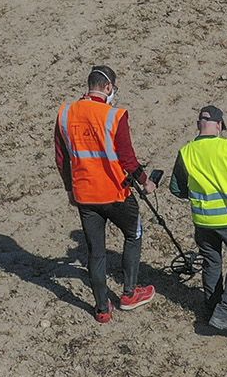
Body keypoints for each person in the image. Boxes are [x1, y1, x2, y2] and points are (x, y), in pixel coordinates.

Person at [53, 66, 156, 323]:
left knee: (95, 252)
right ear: (108, 88)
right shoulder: (115, 116)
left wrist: (69, 188)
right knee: (133, 233)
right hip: (115, 193)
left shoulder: (65, 114)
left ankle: (101, 309)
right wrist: (146, 182)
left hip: (85, 195)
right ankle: (130, 293)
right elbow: (128, 158)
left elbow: (61, 157)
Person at [167, 105, 227, 335]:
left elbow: (175, 189)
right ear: (219, 126)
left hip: (202, 222)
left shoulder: (186, 152)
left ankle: (211, 310)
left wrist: (198, 193)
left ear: (198, 125)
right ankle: (225, 311)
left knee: (212, 262)